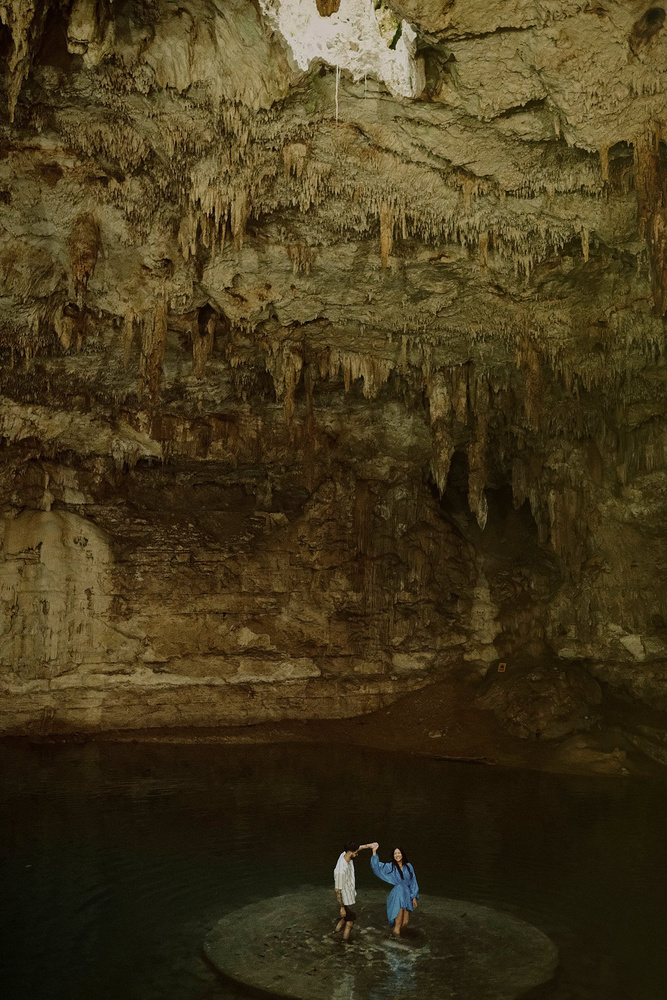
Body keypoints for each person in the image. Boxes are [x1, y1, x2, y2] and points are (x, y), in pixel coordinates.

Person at [369, 842, 419, 937]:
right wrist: (374, 851)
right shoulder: (390, 867)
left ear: (402, 854)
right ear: (393, 855)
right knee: (398, 922)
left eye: (399, 853)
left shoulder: (409, 866)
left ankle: (397, 939)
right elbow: (377, 867)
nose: (397, 855)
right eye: (395, 853)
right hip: (398, 894)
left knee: (405, 923)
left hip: (407, 894)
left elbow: (413, 881)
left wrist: (413, 897)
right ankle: (395, 942)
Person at [333, 840, 373, 941]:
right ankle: (345, 943)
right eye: (355, 853)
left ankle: (335, 932)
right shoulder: (341, 871)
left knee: (345, 917)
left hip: (350, 895)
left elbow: (358, 848)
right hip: (346, 899)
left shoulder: (345, 854)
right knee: (350, 922)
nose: (357, 854)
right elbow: (337, 890)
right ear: (350, 852)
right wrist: (342, 907)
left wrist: (369, 846)